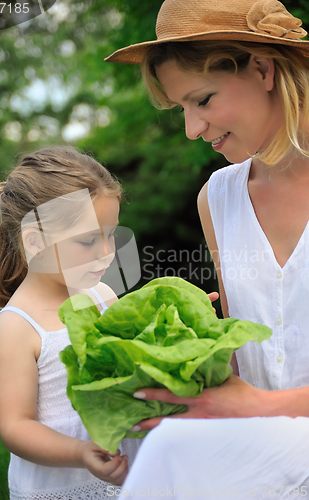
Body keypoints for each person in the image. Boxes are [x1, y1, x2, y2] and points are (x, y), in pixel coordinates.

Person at [104, 0, 309, 495]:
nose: (193, 128)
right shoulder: (217, 198)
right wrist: (186, 355)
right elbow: (240, 354)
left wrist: (261, 408)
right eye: (181, 110)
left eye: (203, 99)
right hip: (261, 449)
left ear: (262, 68)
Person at [0, 146, 140, 500]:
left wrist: (166, 329)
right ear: (36, 242)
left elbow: (130, 362)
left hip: (124, 477)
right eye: (87, 241)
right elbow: (15, 426)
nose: (106, 252)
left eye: (111, 235)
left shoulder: (102, 295)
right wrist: (79, 453)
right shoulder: (18, 326)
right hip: (61, 486)